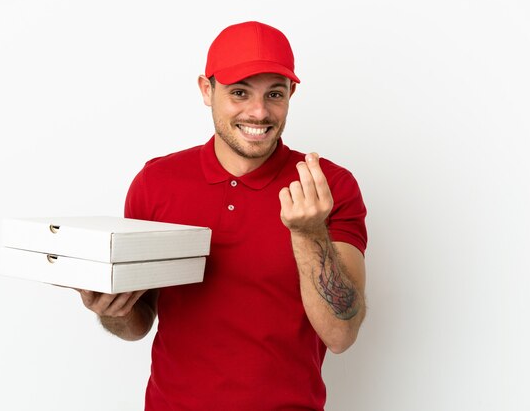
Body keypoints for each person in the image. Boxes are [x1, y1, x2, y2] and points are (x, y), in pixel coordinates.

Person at [78, 21, 368, 411]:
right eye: (239, 92)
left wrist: (308, 233)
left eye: (275, 94)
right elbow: (139, 322)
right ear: (206, 89)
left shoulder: (327, 186)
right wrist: (110, 309)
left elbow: (340, 333)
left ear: (291, 94)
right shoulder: (156, 183)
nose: (259, 112)